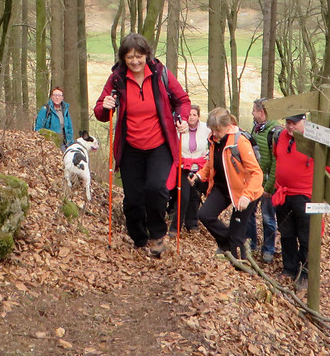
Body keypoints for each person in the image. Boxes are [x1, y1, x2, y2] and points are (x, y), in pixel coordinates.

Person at [93, 33, 191, 258]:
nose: (135, 61)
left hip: (159, 144)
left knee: (156, 189)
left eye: (139, 56)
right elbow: (100, 111)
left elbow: (182, 100)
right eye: (130, 58)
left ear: (147, 55)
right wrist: (105, 106)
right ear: (123, 59)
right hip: (130, 147)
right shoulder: (117, 79)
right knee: (134, 199)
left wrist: (182, 119)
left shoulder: (160, 74)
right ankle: (139, 238)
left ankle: (158, 236)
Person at [273, 113, 330, 290]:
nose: (290, 126)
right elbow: (278, 158)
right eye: (287, 122)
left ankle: (305, 273)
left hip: (306, 196)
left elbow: (329, 167)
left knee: (307, 236)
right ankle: (289, 268)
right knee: (287, 234)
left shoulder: (315, 139)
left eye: (294, 123)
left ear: (304, 121)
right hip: (284, 194)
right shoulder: (281, 137)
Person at [194, 108, 264, 260]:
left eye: (217, 130)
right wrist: (200, 175)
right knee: (205, 215)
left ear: (227, 126)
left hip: (245, 192)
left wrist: (246, 196)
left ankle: (242, 264)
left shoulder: (240, 142)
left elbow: (257, 173)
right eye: (212, 130)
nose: (215, 133)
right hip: (222, 187)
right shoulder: (214, 140)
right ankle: (227, 243)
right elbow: (212, 163)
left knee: (237, 237)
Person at [248, 99, 282, 263]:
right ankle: (251, 243)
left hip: (268, 183)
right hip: (254, 181)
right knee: (249, 213)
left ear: (262, 112)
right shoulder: (256, 128)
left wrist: (269, 187)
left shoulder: (274, 132)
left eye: (254, 110)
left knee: (268, 218)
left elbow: (277, 162)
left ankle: (269, 249)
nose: (252, 113)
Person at [168, 105, 209, 233]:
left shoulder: (205, 129)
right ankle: (175, 227)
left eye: (194, 115)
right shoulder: (180, 127)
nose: (191, 117)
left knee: (195, 196)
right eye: (189, 114)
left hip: (199, 167)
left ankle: (192, 224)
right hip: (183, 166)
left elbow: (213, 142)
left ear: (198, 117)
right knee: (184, 196)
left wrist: (208, 155)